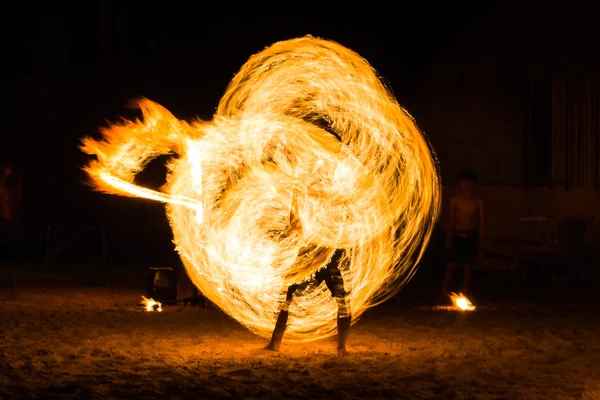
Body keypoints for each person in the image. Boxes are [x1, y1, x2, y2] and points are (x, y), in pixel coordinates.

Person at [265, 193, 351, 356]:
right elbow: (293, 225)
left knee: (342, 302)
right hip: (309, 256)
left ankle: (341, 347)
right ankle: (274, 343)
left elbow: (344, 225)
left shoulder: (333, 198)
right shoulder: (304, 196)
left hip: (327, 256)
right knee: (285, 299)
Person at [441, 168, 485, 298]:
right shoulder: (455, 200)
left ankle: (465, 292)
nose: (467, 184)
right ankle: (443, 291)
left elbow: (481, 223)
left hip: (471, 236)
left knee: (468, 266)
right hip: (457, 236)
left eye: (469, 181)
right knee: (451, 264)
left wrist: (482, 241)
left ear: (473, 183)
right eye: (464, 181)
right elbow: (452, 220)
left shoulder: (478, 202)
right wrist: (449, 239)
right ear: (460, 183)